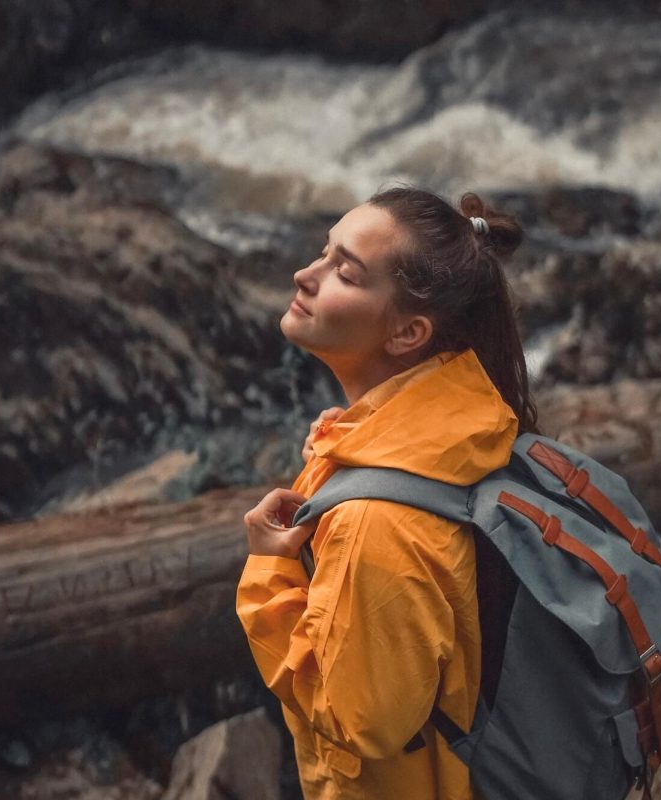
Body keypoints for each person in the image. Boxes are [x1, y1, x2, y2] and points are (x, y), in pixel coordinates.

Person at [236, 187, 538, 800]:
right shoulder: (464, 421)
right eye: (324, 252)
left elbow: (363, 724)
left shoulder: (379, 521)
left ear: (408, 332)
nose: (305, 273)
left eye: (343, 271)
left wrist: (270, 570)